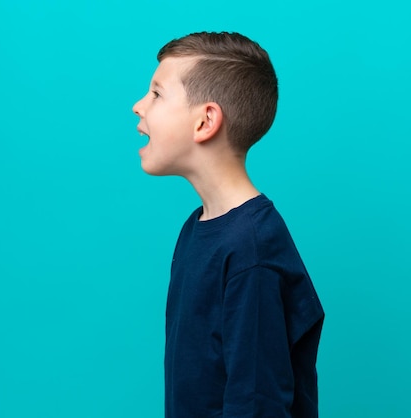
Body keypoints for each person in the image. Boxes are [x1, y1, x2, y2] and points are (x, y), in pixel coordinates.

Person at [132, 31, 325, 418]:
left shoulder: (252, 253)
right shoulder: (197, 228)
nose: (139, 106)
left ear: (205, 121)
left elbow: (257, 405)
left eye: (156, 93)